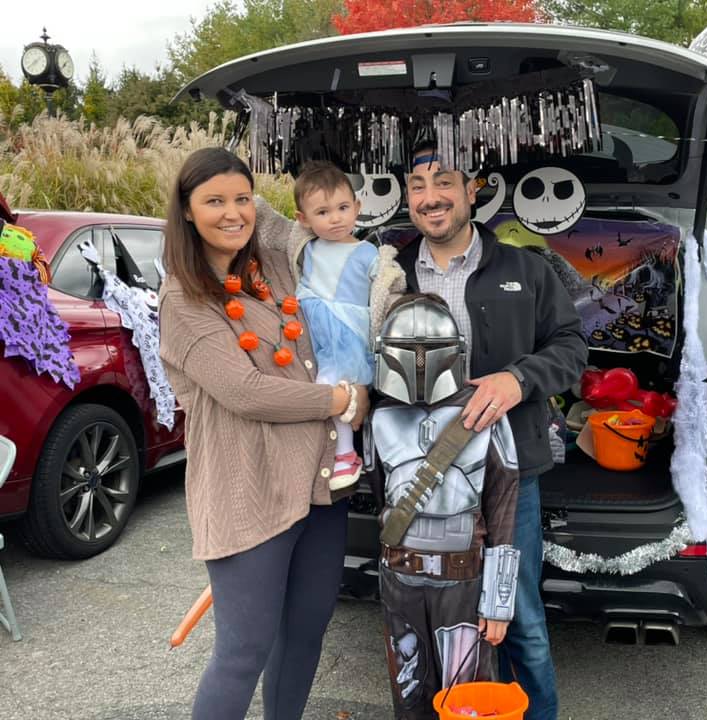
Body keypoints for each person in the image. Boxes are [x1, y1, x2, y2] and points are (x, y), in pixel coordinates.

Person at [158, 147, 369, 720]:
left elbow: (324, 240)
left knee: (304, 635)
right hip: (248, 492)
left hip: (319, 488)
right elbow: (245, 391)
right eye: (215, 201)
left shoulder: (274, 266)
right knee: (242, 652)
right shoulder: (184, 298)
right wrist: (342, 400)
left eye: (242, 198)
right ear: (186, 210)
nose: (233, 213)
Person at [395, 143, 589, 719]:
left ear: (472, 189)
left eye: (444, 182)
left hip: (508, 474)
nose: (431, 197)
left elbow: (572, 348)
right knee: (435, 614)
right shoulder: (389, 273)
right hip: (420, 476)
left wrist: (517, 378)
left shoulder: (525, 269)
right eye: (417, 185)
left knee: (517, 615)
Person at [370, 293, 520, 720]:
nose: (419, 363)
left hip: (462, 578)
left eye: (430, 349)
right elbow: (385, 499)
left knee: (466, 696)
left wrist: (498, 604)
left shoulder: (485, 412)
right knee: (409, 689)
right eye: (409, 350)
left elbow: (504, 507)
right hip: (400, 574)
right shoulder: (379, 416)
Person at [254, 161, 406, 490]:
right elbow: (270, 228)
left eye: (342, 208)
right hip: (307, 326)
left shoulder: (368, 252)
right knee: (307, 388)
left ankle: (345, 454)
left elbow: (388, 288)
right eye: (323, 212)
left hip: (344, 331)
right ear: (303, 219)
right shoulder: (305, 246)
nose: (335, 218)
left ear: (357, 208)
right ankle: (319, 455)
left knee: (334, 388)